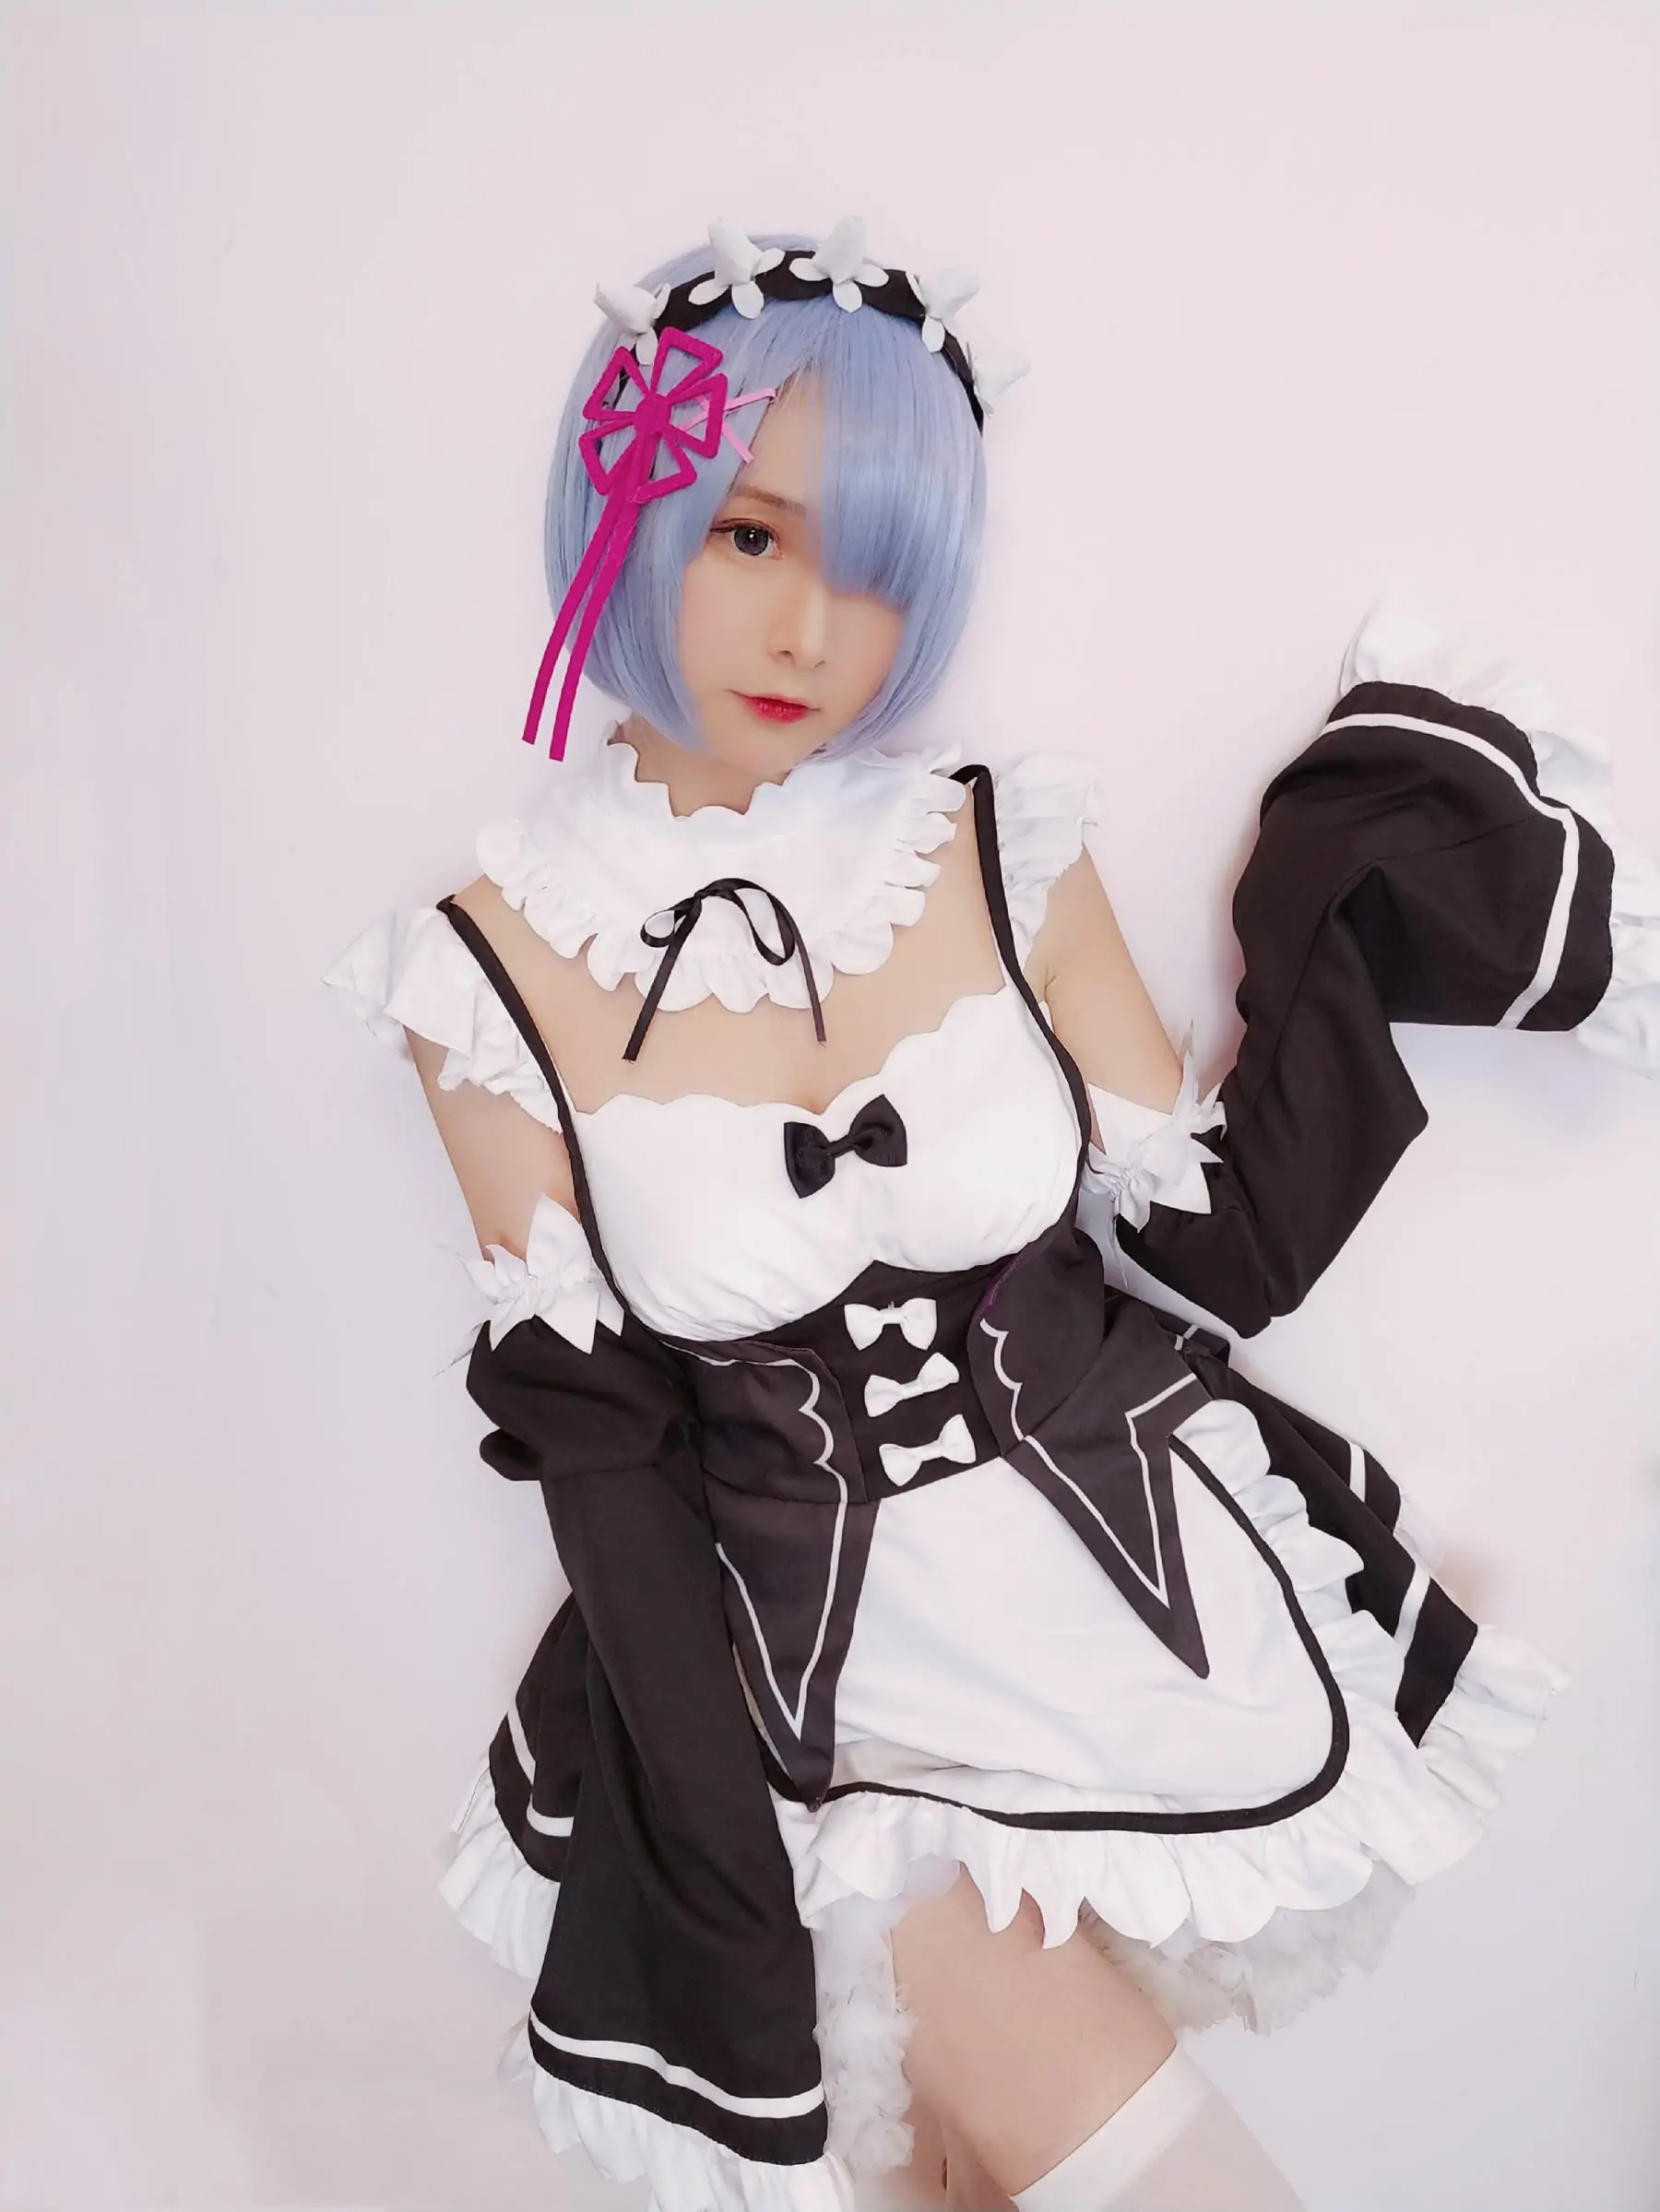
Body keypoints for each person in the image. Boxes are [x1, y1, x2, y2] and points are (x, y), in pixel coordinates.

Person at [324, 219, 1659, 2212]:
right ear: (633, 504)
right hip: (821, 1733)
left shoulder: (987, 842)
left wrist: (1355, 886)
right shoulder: (486, 972)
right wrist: (722, 1898)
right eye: (752, 535)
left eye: (876, 572)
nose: (810, 634)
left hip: (1137, 1638)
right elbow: (607, 1469)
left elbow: (1217, 1248)